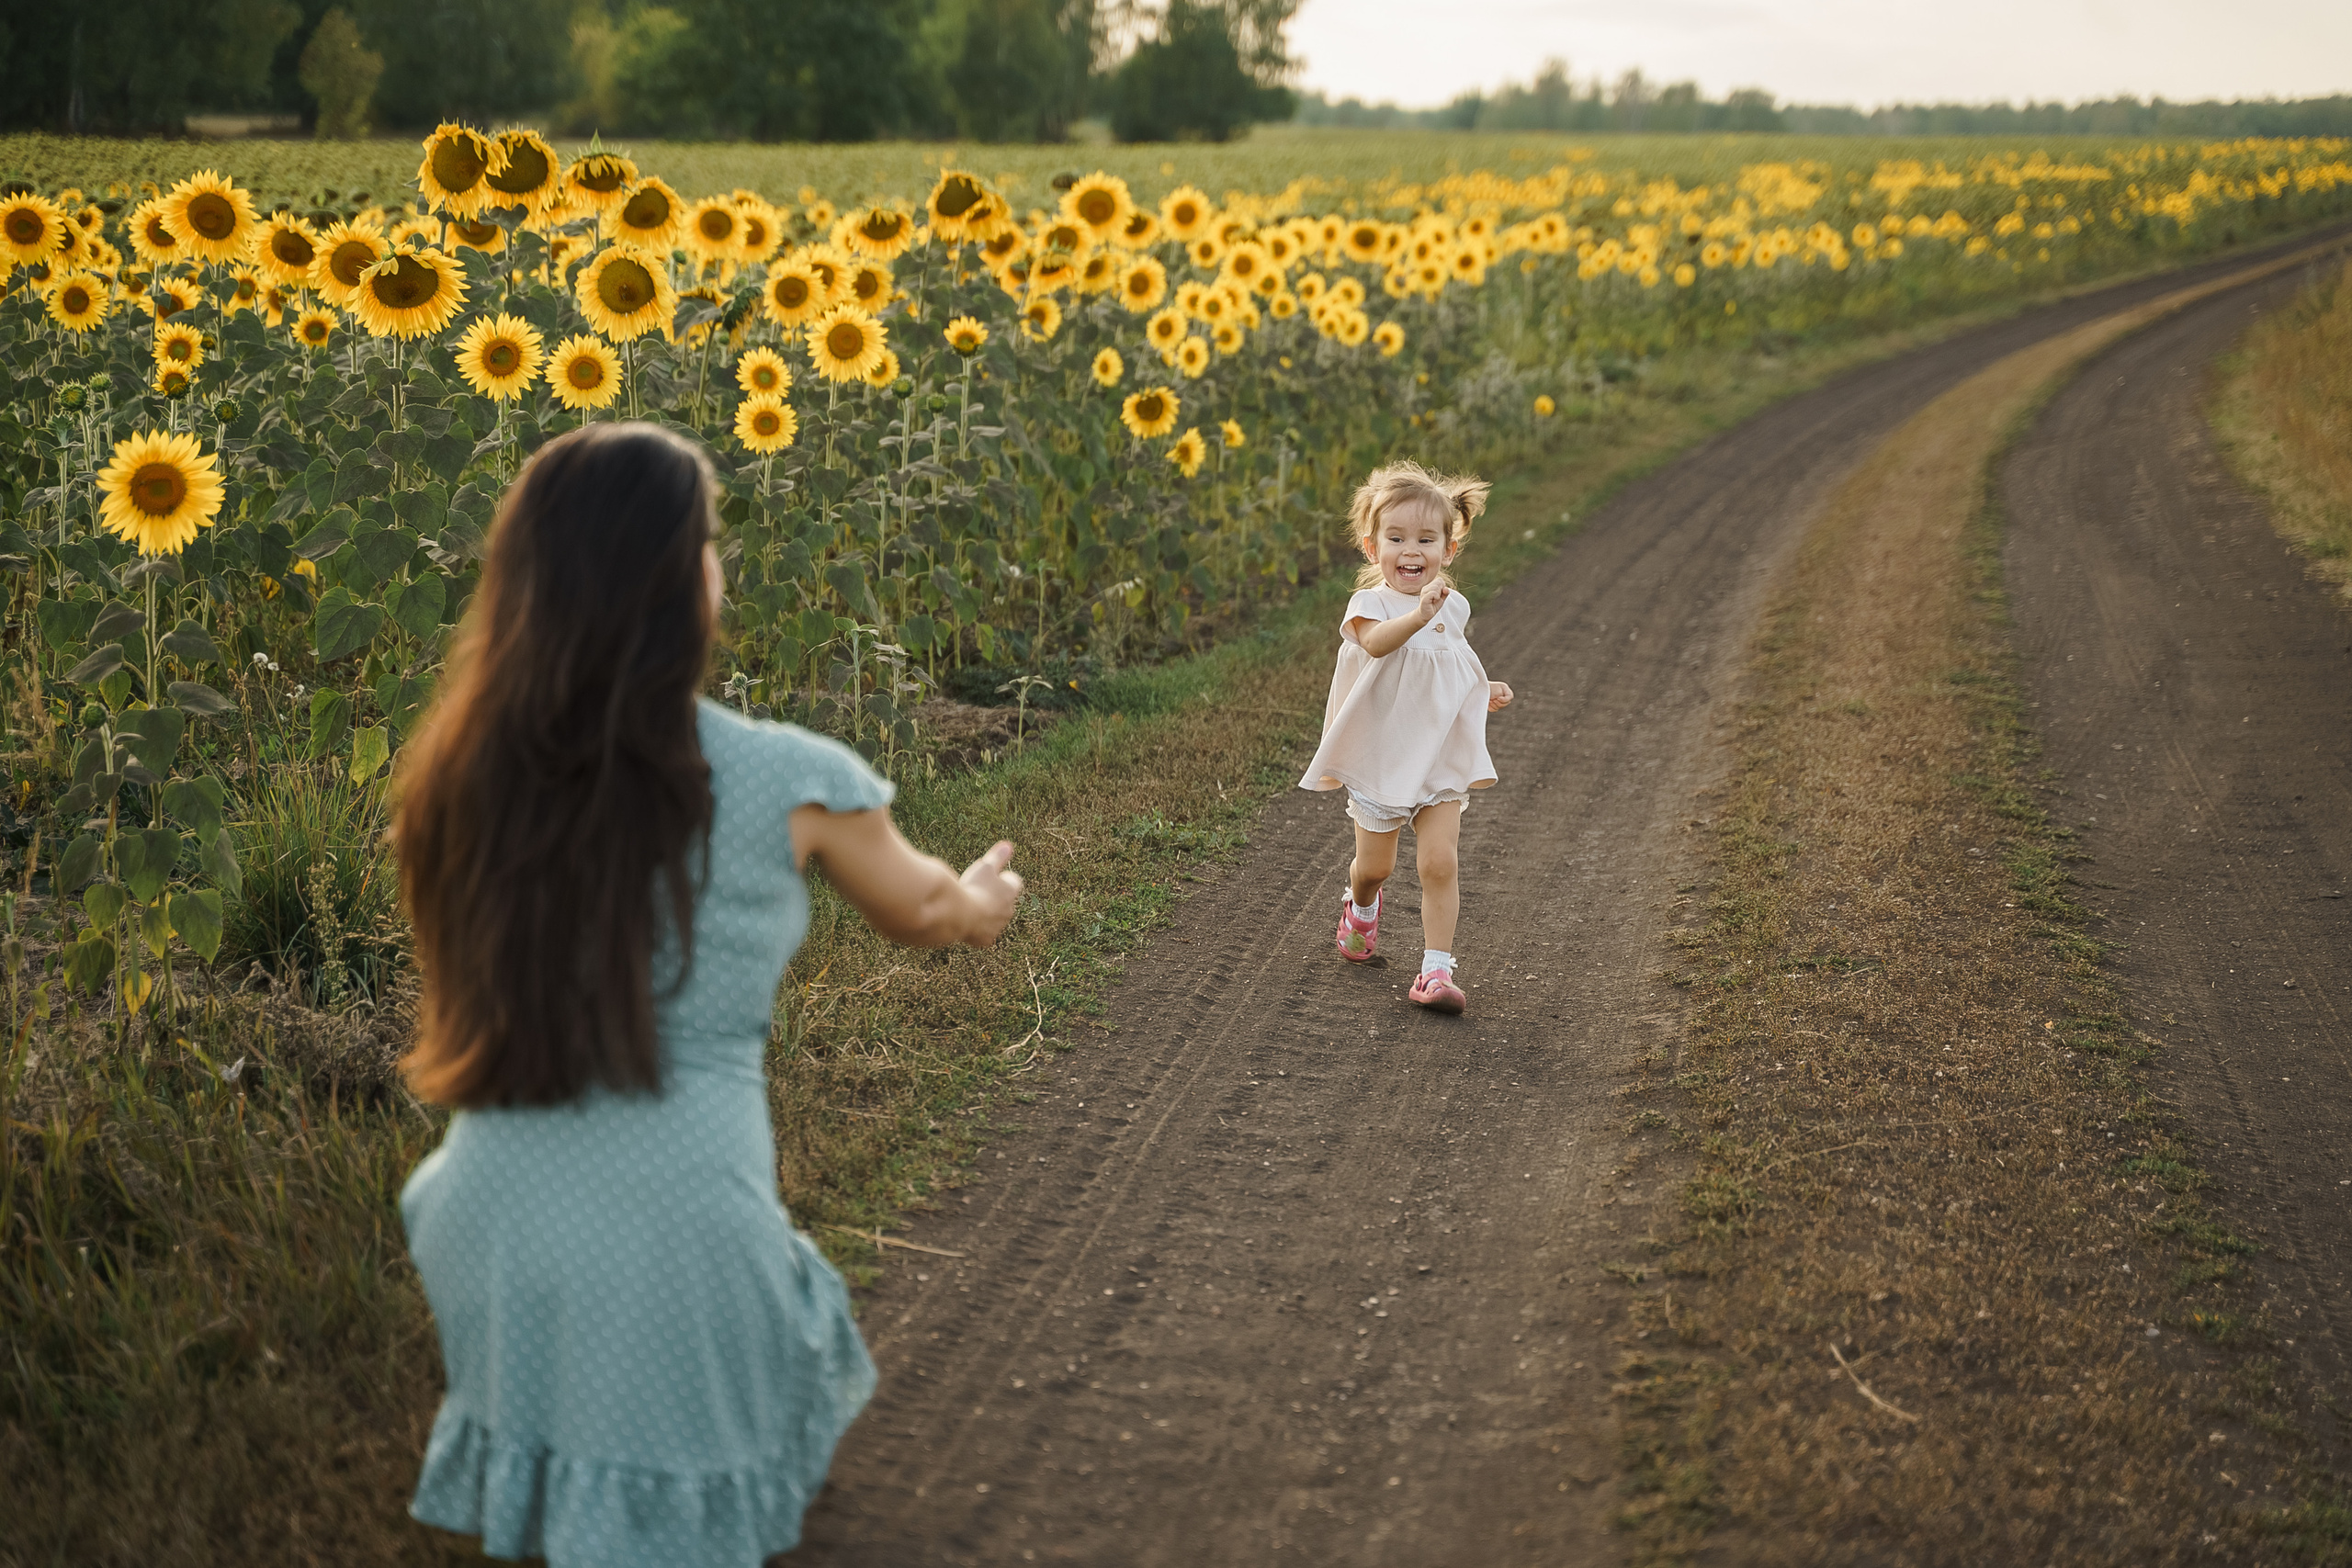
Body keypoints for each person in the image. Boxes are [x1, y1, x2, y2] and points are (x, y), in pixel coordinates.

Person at [391, 422, 1022, 1567]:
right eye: (709, 541)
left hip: (483, 1213)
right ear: (681, 581)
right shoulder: (786, 775)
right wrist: (987, 897)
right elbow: (928, 910)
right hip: (683, 1227)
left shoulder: (458, 771)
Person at [1298, 460, 1513, 1014]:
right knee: (1376, 867)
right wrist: (1418, 616)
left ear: (1449, 549)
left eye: (1425, 539)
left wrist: (1482, 685)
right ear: (1372, 548)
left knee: (1439, 862)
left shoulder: (1451, 605)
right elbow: (1379, 645)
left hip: (1437, 757)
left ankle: (1436, 972)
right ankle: (1361, 906)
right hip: (1384, 755)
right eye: (1396, 538)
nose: (1410, 550)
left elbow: (1450, 659)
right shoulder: (1370, 606)